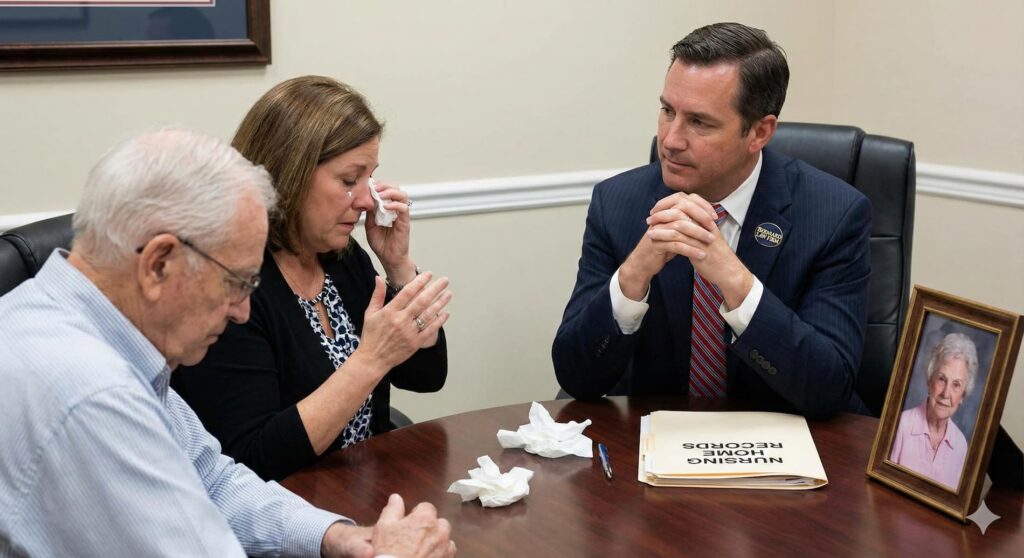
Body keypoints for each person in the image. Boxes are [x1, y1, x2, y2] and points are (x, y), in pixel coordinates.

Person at [0, 129, 455, 557]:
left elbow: (212, 479)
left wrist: (339, 537)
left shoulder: (85, 329)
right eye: (237, 283)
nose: (241, 310)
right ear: (159, 263)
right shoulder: (92, 396)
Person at [552, 22, 871, 418]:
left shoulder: (834, 215)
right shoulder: (617, 203)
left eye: (699, 122)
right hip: (649, 449)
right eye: (668, 111)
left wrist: (736, 282)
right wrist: (634, 274)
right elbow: (575, 378)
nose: (670, 140)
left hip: (784, 451)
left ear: (759, 132)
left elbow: (828, 390)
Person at [172, 76, 451, 481]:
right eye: (348, 180)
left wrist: (398, 265)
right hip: (286, 516)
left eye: (369, 178)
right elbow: (251, 457)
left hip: (360, 486)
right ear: (291, 173)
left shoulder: (342, 258)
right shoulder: (232, 283)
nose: (364, 200)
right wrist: (371, 360)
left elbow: (426, 376)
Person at [890, 333, 978, 489]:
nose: (945, 393)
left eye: (956, 385)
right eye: (942, 379)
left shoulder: (961, 446)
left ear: (963, 395)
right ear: (930, 381)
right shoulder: (900, 426)